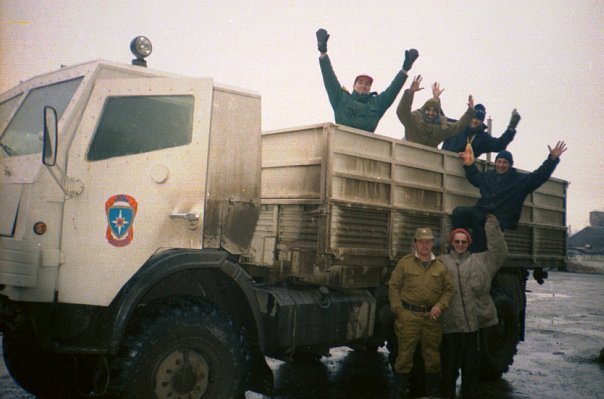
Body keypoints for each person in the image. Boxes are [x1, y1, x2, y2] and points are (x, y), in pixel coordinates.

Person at [452, 141, 567, 252]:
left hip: (501, 219)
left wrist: (552, 160)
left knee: (483, 235)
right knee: (459, 212)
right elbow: (475, 177)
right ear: (495, 162)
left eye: (505, 163)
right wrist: (468, 163)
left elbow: (540, 176)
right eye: (499, 161)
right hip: (481, 213)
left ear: (510, 165)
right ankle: (460, 245)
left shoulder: (520, 181)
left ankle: (475, 254)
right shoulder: (487, 176)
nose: (501, 165)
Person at [438, 215, 508, 399]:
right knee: (448, 369)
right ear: (451, 243)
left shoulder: (481, 261)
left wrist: (492, 225)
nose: (460, 244)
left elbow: (499, 252)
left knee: (471, 370)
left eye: (463, 241)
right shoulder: (441, 262)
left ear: (468, 243)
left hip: (472, 328)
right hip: (450, 327)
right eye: (456, 241)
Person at [388, 227, 455, 398]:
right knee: (404, 357)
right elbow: (393, 286)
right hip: (408, 317)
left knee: (432, 358)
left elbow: (449, 290)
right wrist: (398, 310)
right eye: (421, 242)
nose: (424, 245)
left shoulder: (440, 267)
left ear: (432, 243)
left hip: (431, 318)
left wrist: (440, 306)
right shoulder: (405, 263)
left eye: (428, 242)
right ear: (415, 243)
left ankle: (432, 394)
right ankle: (398, 393)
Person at [316, 28, 419, 133]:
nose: (363, 86)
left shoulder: (377, 104)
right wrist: (323, 53)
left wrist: (405, 69)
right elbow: (329, 78)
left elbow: (392, 90)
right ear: (354, 85)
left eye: (367, 84)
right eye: (360, 82)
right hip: (339, 144)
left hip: (367, 147)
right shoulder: (341, 98)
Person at [396, 78, 476, 147]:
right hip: (407, 151)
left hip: (430, 158)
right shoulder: (414, 119)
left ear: (438, 113)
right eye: (428, 110)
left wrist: (470, 111)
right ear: (424, 110)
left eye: (434, 111)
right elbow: (402, 112)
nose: (430, 113)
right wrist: (410, 92)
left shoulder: (442, 127)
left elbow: (458, 127)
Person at [441, 102, 521, 158]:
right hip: (442, 163)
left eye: (479, 119)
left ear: (482, 121)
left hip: (461, 174)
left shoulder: (483, 138)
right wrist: (436, 100)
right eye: (474, 117)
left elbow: (499, 145)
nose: (475, 121)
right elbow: (438, 119)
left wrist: (511, 128)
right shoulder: (456, 125)